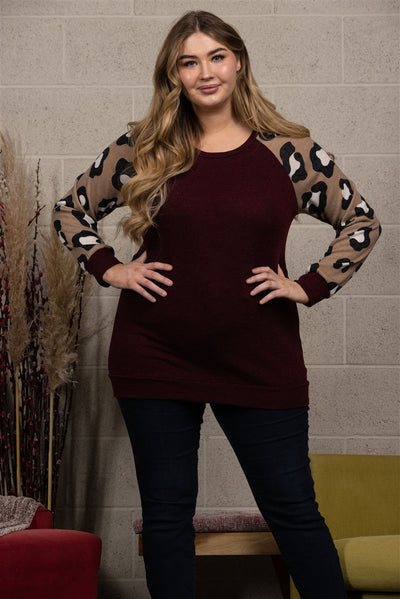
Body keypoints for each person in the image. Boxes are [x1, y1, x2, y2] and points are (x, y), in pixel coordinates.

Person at [54, 10, 381, 599]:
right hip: (154, 354)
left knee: (293, 511)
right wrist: (111, 267)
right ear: (174, 75)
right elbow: (68, 210)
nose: (205, 72)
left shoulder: (289, 150)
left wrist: (308, 285)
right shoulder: (144, 148)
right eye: (189, 62)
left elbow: (361, 221)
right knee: (167, 515)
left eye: (216, 57)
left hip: (260, 355)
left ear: (238, 63)